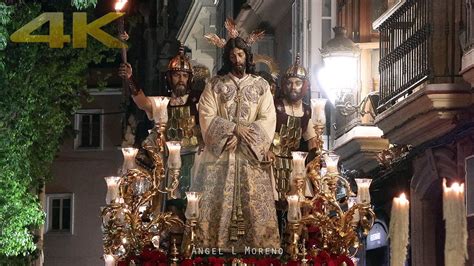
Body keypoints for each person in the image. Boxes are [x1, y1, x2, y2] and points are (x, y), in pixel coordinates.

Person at [191, 20, 280, 252]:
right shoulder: (215, 84)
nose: (237, 60)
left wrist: (246, 136)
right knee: (215, 207)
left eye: (240, 55)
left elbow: (268, 117)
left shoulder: (261, 86)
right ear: (227, 57)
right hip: (221, 156)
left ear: (247, 56)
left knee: (254, 204)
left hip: (251, 156)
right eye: (233, 55)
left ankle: (260, 251)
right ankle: (213, 249)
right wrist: (231, 128)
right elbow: (207, 114)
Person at [118, 40, 203, 200]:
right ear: (170, 78)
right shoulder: (162, 103)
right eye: (177, 75)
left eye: (185, 76)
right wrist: (130, 79)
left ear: (189, 79)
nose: (181, 79)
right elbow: (142, 102)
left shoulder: (198, 100)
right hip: (166, 160)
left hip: (194, 158)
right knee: (168, 198)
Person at [267, 55, 320, 202]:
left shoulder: (308, 111)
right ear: (284, 85)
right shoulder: (275, 106)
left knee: (298, 203)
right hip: (272, 161)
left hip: (295, 164)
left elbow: (312, 142)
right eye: (290, 83)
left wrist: (312, 162)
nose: (293, 87)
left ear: (305, 85)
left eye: (297, 83)